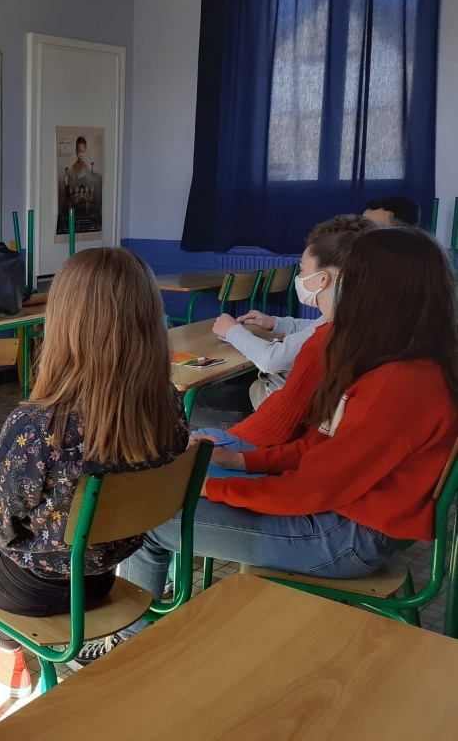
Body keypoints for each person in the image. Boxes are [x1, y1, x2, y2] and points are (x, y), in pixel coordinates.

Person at [112, 227, 458, 653]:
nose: (339, 291)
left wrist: (215, 488)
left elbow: (310, 489)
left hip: (345, 537)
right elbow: (319, 447)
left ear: (377, 293)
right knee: (186, 480)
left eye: (350, 279)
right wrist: (242, 463)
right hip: (346, 517)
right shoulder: (403, 363)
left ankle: (129, 649)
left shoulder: (396, 385)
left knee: (149, 521)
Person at [0, 247, 188, 697]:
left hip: (27, 591)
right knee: (4, 509)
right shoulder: (168, 404)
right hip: (100, 581)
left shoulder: (38, 426)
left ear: (65, 324)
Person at [198, 215, 374, 452]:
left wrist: (232, 331)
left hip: (279, 414)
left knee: (202, 399)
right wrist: (275, 323)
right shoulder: (356, 314)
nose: (299, 278)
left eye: (301, 270)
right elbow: (314, 326)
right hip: (299, 419)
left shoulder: (329, 336)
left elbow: (273, 362)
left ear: (323, 278)